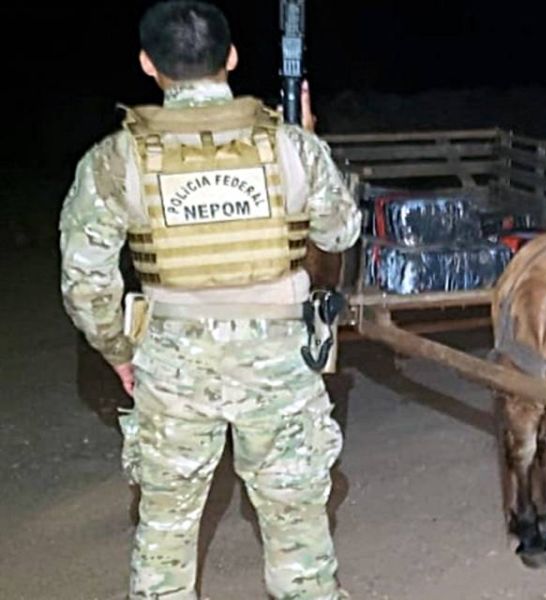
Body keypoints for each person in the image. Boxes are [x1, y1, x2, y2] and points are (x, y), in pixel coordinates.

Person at [58, 1, 361, 598]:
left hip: (173, 373)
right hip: (278, 370)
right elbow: (340, 233)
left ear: (148, 65)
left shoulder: (116, 161)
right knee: (298, 539)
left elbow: (86, 281)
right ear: (231, 58)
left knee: (166, 533)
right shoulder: (291, 149)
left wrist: (119, 351)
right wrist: (307, 144)